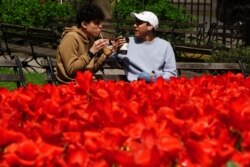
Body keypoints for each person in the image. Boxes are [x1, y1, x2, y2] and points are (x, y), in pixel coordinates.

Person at [113, 11, 177, 83]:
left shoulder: (165, 46)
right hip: (134, 87)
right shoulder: (126, 42)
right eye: (134, 22)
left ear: (150, 26)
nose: (134, 25)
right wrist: (115, 52)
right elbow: (112, 61)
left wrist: (154, 77)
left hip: (157, 87)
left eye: (139, 23)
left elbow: (172, 73)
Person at [56, 3, 111, 84]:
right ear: (84, 24)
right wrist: (91, 52)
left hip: (85, 84)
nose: (100, 26)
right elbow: (71, 71)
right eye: (96, 23)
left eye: (100, 23)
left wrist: (105, 56)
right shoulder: (71, 38)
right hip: (70, 87)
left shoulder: (90, 39)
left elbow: (90, 70)